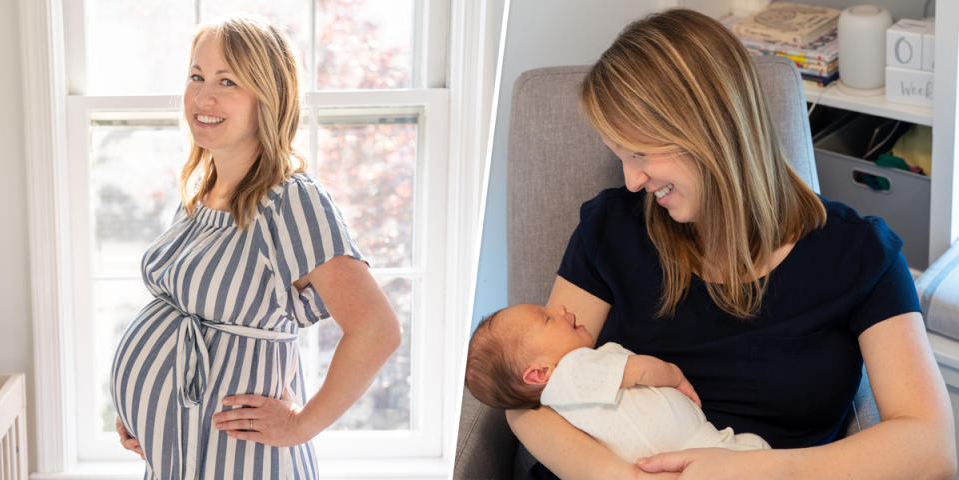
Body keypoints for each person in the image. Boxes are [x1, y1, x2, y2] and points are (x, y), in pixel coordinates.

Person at [506, 9, 956, 480]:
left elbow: (931, 450)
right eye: (619, 156)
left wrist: (756, 470)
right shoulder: (611, 228)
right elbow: (523, 398)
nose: (632, 180)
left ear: (710, 128)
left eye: (639, 152)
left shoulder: (861, 257)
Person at [110, 15, 401, 479]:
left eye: (227, 81)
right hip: (180, 458)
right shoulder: (199, 193)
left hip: (242, 463)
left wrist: (300, 424)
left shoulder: (291, 200)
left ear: (268, 97)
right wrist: (145, 415)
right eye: (196, 76)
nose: (204, 97)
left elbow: (377, 330)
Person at [465, 303, 769, 463]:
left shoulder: (559, 401)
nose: (559, 309)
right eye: (546, 318)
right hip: (699, 448)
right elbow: (639, 370)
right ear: (538, 373)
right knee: (759, 455)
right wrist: (674, 374)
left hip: (683, 455)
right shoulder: (573, 369)